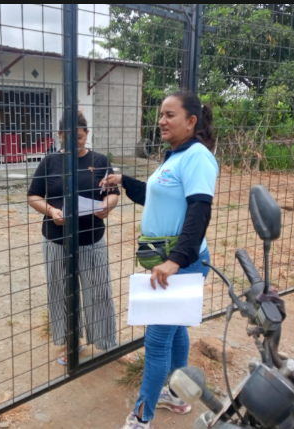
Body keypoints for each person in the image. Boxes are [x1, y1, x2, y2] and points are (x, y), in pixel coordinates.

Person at [100, 91, 218, 429]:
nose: (161, 121)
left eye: (169, 115)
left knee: (156, 341)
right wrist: (124, 181)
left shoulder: (197, 157)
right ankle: (178, 396)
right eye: (161, 114)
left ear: (191, 121)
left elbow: (199, 212)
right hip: (170, 261)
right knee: (175, 331)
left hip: (181, 263)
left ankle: (141, 417)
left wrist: (176, 261)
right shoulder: (175, 155)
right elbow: (155, 197)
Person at [27, 111, 120, 365]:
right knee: (61, 292)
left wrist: (107, 206)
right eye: (68, 137)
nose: (74, 142)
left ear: (86, 134)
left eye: (79, 137)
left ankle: (107, 343)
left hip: (91, 238)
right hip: (56, 239)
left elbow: (113, 192)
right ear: (59, 135)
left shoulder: (100, 161)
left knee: (99, 290)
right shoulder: (50, 162)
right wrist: (51, 211)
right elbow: (33, 196)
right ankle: (71, 341)